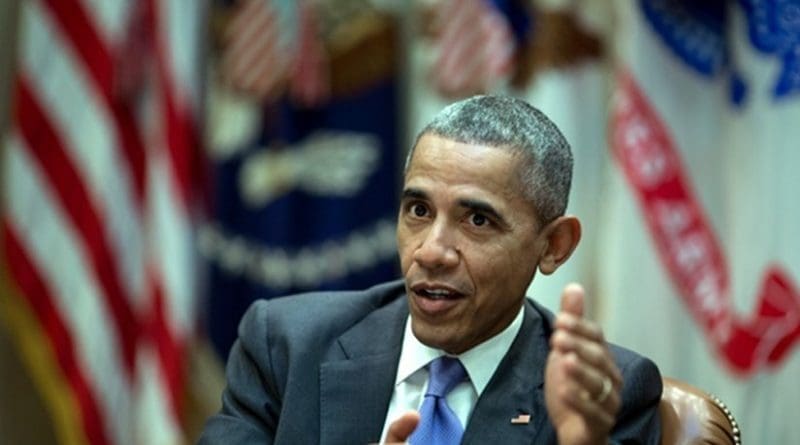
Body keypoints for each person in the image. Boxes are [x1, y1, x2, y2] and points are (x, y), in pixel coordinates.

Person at [198, 95, 662, 444]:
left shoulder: (603, 396)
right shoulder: (287, 345)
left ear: (553, 246)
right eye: (418, 211)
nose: (432, 251)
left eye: (477, 220)